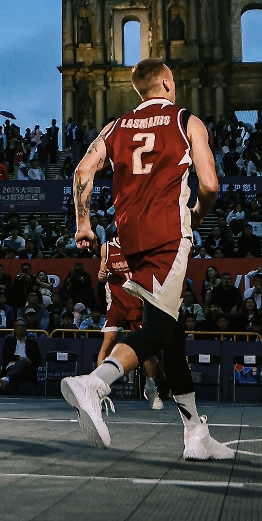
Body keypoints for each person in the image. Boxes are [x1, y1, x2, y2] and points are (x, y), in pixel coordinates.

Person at [61, 58, 232, 460]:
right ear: (168, 84)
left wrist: (83, 223)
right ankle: (96, 382)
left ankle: (195, 432)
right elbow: (210, 184)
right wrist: (197, 215)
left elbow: (83, 171)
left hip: (131, 239)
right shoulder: (186, 120)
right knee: (156, 332)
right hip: (168, 235)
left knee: (172, 334)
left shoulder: (115, 126)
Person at [97, 238, 163, 409]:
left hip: (138, 302)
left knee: (148, 349)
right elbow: (101, 276)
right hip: (117, 302)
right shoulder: (107, 247)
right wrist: (102, 276)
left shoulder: (141, 244)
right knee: (109, 341)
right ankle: (99, 390)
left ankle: (151, 388)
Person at [0, 318, 41, 394]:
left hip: (27, 367)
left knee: (24, 362)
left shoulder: (33, 344)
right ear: (14, 328)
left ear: (26, 328)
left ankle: (7, 378)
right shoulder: (9, 342)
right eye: (18, 325)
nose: (20, 328)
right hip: (11, 366)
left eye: (22, 326)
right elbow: (5, 356)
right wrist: (18, 358)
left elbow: (38, 361)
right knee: (21, 365)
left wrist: (30, 361)